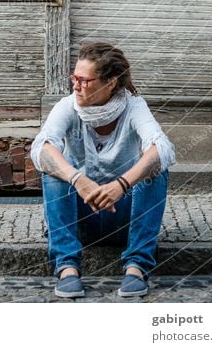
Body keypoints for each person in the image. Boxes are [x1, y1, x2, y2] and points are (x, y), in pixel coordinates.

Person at [30, 41, 176, 299]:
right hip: (81, 219)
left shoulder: (134, 106)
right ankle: (67, 268)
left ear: (110, 84)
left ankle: (136, 267)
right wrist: (77, 179)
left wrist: (121, 184)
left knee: (156, 167)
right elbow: (41, 148)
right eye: (74, 78)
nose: (76, 85)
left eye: (84, 80)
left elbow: (162, 148)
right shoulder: (68, 105)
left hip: (124, 219)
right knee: (55, 167)